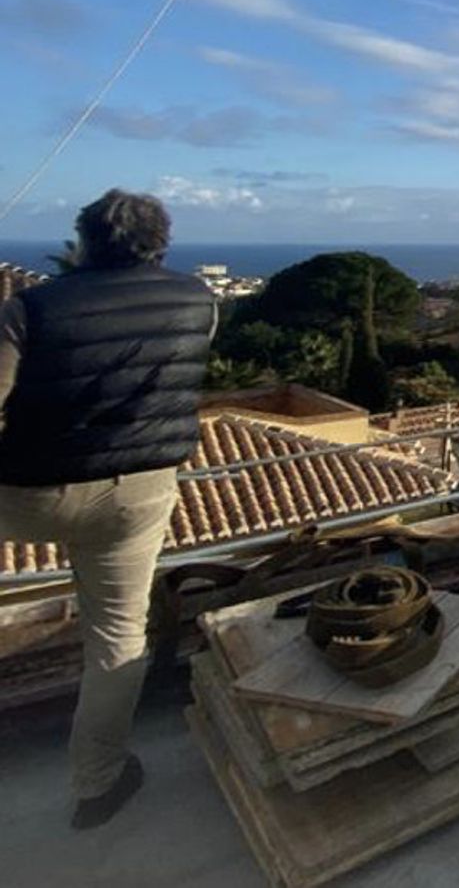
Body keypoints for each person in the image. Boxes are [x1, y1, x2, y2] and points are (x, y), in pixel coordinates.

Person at [0, 190, 215, 828]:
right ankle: (98, 784)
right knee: (118, 640)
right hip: (137, 493)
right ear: (161, 244)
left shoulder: (28, 310)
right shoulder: (200, 301)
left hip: (29, 491)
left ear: (85, 239)